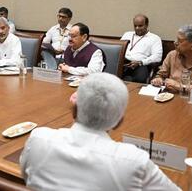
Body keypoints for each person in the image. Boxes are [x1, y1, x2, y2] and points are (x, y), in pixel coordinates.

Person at [20, 73, 180, 190]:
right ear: (119, 120)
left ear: (74, 107)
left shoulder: (38, 139)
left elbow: (26, 178)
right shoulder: (134, 160)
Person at [120, 14, 163, 83]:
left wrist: (140, 62)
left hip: (140, 65)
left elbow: (157, 57)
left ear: (146, 25)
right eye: (135, 26)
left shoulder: (155, 38)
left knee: (140, 79)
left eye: (140, 26)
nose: (137, 28)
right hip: (123, 63)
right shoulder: (127, 34)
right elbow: (119, 49)